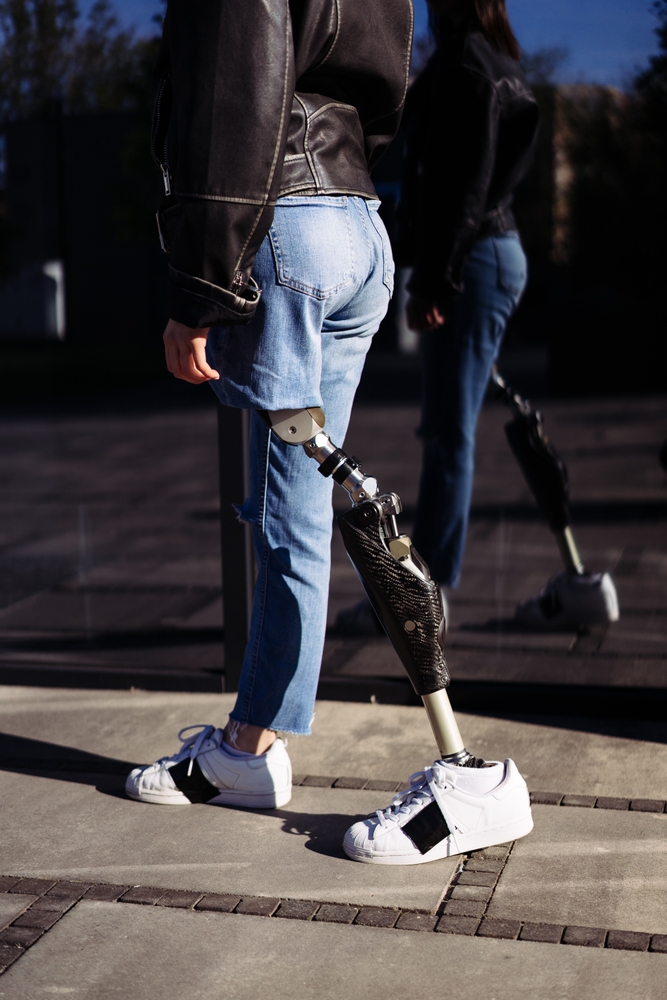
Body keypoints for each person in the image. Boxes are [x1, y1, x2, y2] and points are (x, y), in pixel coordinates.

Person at [125, 0, 413, 807]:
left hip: (288, 226)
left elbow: (234, 106)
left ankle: (247, 749)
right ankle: (261, 732)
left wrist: (196, 294)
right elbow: (386, 96)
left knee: (289, 514)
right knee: (304, 503)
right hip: (360, 226)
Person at [336, 0, 540, 635]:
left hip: (474, 259)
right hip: (492, 255)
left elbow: (465, 181)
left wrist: (437, 277)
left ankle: (427, 595)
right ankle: (428, 585)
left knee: (449, 434)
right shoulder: (500, 62)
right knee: (450, 429)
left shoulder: (465, 67)